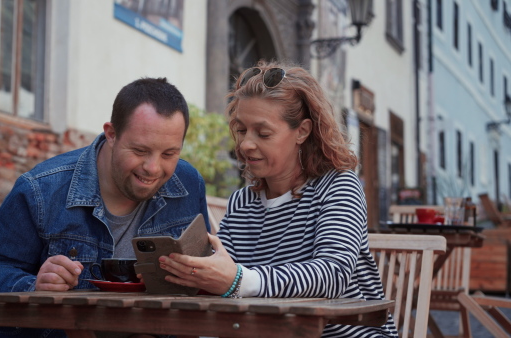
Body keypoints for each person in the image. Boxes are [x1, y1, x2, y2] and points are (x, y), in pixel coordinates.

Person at [158, 61, 398, 337]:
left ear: (302, 131)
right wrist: (183, 274)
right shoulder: (242, 203)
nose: (246, 143)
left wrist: (239, 280)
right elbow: (224, 284)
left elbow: (333, 275)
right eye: (241, 130)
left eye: (263, 133)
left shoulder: (338, 186)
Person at [0, 77, 210, 337]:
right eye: (140, 150)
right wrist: (34, 285)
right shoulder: (41, 189)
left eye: (169, 154)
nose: (153, 168)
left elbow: (203, 272)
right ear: (112, 133)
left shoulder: (189, 183)